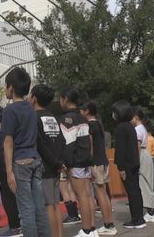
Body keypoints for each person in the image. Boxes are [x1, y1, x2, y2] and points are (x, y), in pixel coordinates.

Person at [2, 67, 51, 237]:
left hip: (20, 162)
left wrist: (9, 172)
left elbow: (8, 142)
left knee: (26, 210)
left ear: (11, 88)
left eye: (6, 86)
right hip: (36, 160)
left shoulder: (9, 110)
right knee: (39, 207)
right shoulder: (31, 108)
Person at [59, 87, 96, 237]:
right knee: (87, 196)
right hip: (85, 160)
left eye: (61, 99)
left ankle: (86, 230)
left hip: (75, 162)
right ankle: (91, 229)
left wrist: (65, 163)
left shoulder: (67, 119)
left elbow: (68, 143)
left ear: (65, 99)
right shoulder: (83, 118)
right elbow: (89, 141)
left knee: (81, 196)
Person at [31, 84, 65, 237]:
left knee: (48, 205)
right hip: (56, 165)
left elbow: (40, 145)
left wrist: (53, 162)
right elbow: (61, 140)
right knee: (56, 204)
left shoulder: (34, 118)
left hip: (45, 166)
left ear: (34, 99)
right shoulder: (53, 117)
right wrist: (59, 162)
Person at [80, 101, 117, 236]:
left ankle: (107, 225)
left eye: (82, 109)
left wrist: (87, 161)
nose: (80, 112)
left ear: (87, 111)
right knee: (104, 193)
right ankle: (109, 223)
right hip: (103, 162)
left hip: (94, 163)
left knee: (98, 193)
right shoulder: (99, 125)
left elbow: (89, 146)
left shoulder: (90, 126)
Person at [112, 100, 146, 229]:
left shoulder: (121, 127)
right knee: (136, 191)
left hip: (126, 165)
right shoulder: (130, 126)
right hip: (134, 163)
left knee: (131, 192)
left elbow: (120, 150)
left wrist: (120, 168)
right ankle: (139, 218)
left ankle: (136, 220)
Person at [0, 108, 22, 236]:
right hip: (17, 168)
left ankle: (14, 227)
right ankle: (20, 225)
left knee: (8, 200)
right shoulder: (14, 132)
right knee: (19, 198)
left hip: (4, 171)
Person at [132, 108, 154, 223]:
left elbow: (137, 145)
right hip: (146, 154)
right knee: (147, 182)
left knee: (144, 183)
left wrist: (136, 161)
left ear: (136, 117)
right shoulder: (142, 128)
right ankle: (152, 210)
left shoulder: (137, 129)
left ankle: (151, 211)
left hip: (142, 154)